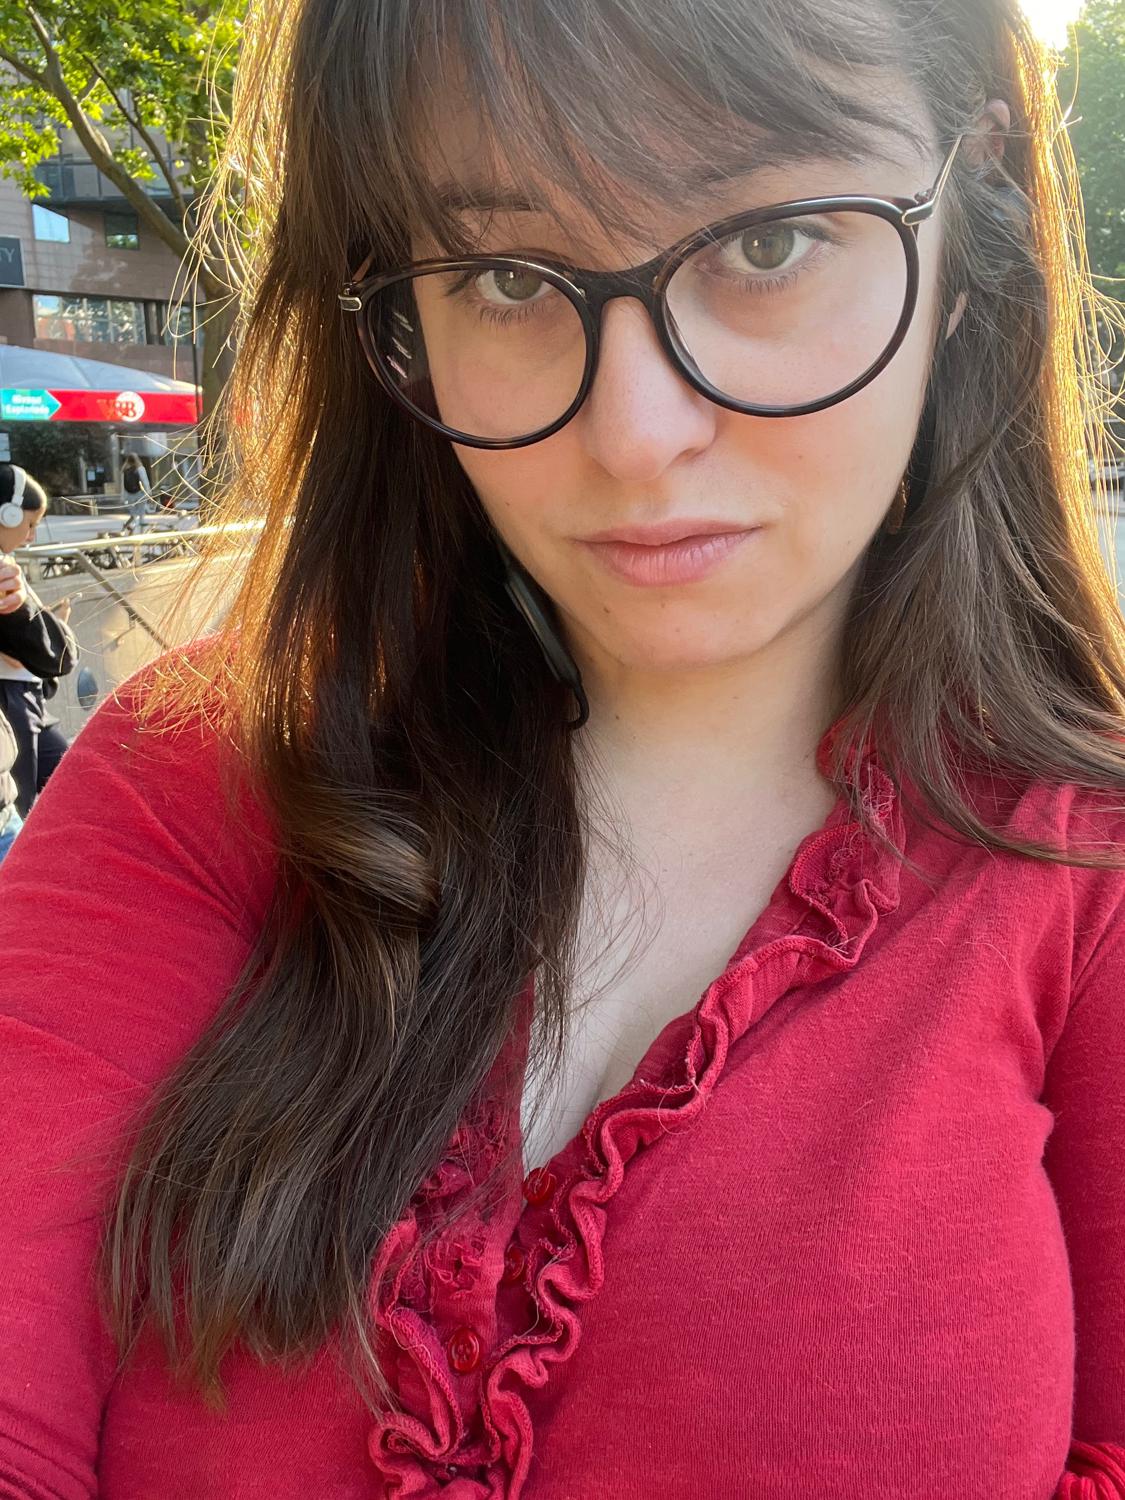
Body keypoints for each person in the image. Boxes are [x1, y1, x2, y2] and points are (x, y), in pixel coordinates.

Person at [0, 1, 1124, 1496]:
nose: (636, 433)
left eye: (769, 243)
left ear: (968, 221)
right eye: (508, 276)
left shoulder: (1083, 884)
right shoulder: (191, 781)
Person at [0, 463, 78, 818]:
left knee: (70, 782)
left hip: (27, 697)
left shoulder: (8, 566)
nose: (31, 535)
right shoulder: (6, 577)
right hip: (12, 702)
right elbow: (54, 655)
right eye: (29, 524)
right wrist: (44, 625)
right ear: (8, 514)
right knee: (22, 810)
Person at [121, 452, 151, 534]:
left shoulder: (125, 470)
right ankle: (141, 532)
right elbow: (144, 481)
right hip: (140, 494)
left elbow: (123, 485)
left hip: (129, 495)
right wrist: (148, 492)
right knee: (141, 514)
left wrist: (123, 497)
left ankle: (126, 527)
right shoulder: (140, 468)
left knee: (133, 515)